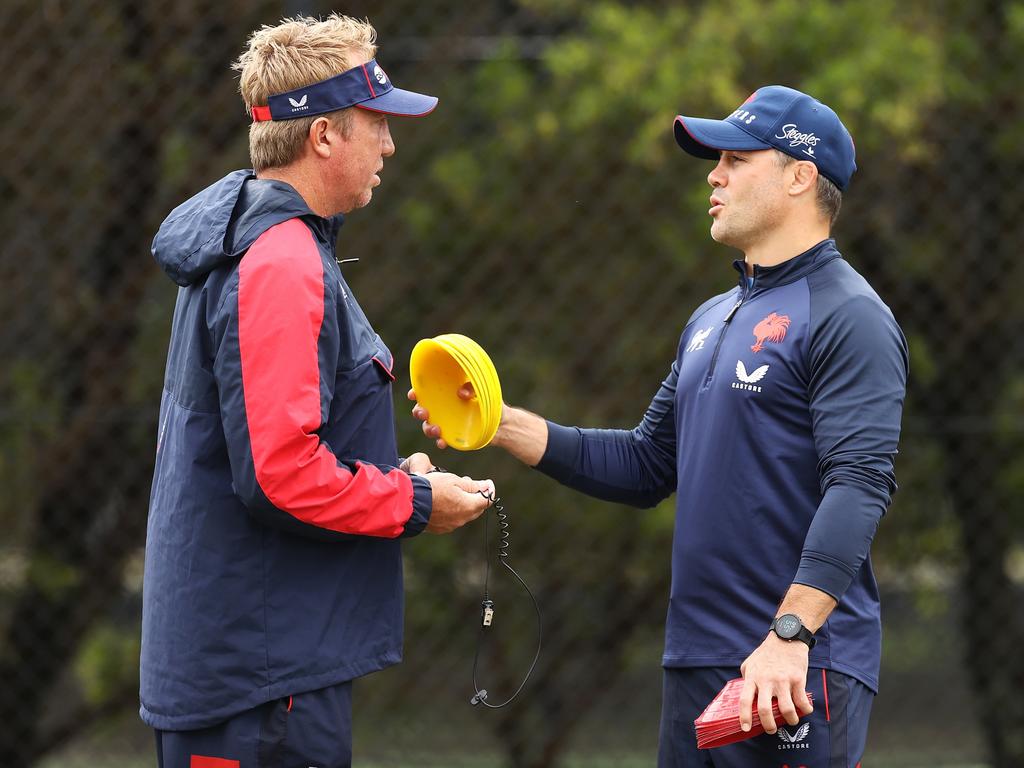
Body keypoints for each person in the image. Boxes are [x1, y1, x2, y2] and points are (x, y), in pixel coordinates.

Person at [412, 85, 908, 767]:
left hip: (794, 671)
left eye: (736, 158)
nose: (714, 174)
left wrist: (791, 636)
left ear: (801, 176)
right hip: (697, 663)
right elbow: (648, 464)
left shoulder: (849, 314)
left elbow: (859, 485)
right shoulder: (711, 318)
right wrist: (495, 422)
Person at [140, 14, 494, 768]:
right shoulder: (280, 259)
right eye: (376, 123)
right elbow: (278, 474)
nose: (390, 145)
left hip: (255, 668)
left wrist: (393, 477)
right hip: (260, 685)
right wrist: (415, 505)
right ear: (324, 135)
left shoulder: (257, 237)